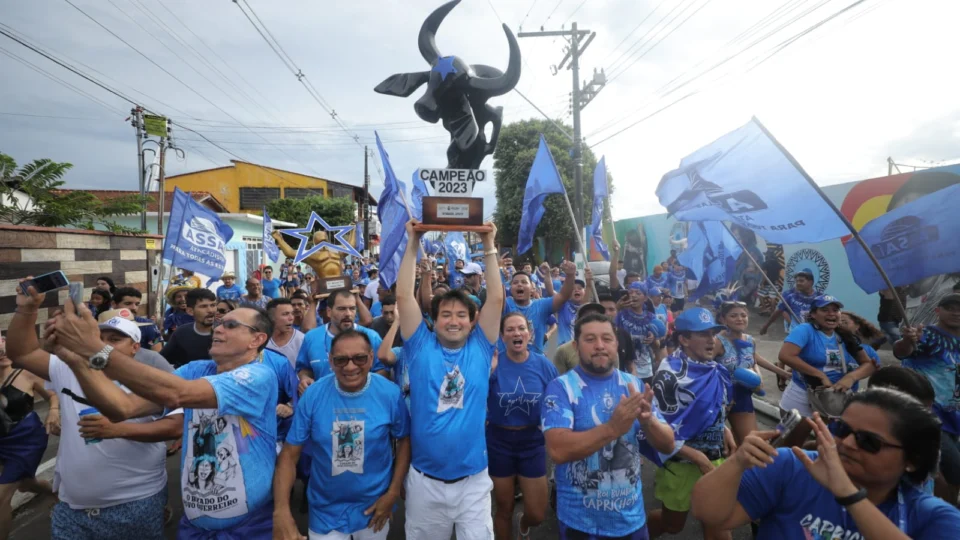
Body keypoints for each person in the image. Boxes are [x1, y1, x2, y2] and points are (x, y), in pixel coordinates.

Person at [46, 297, 280, 537]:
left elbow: (175, 394)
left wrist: (93, 347)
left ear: (257, 339)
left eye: (231, 325)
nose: (218, 327)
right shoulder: (196, 369)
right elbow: (122, 407)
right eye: (219, 322)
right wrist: (77, 361)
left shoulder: (259, 376)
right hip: (196, 523)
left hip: (249, 526)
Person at [7, 287, 182, 540]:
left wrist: (117, 430)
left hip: (134, 501)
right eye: (100, 338)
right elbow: (22, 353)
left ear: (134, 347)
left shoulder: (150, 378)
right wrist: (27, 308)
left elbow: (174, 426)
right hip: (72, 505)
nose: (103, 345)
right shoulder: (69, 367)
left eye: (115, 340)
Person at [691, 388, 960, 538]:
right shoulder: (794, 464)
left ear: (912, 461)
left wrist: (847, 494)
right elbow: (712, 516)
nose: (848, 443)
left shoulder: (933, 516)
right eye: (842, 429)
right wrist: (737, 462)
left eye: (869, 442)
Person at [395, 219, 504, 539]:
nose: (453, 320)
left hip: (473, 483)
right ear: (434, 319)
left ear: (473, 322)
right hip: (425, 483)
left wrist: (488, 244)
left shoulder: (482, 348)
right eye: (446, 314)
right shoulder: (419, 345)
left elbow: (495, 300)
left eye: (461, 315)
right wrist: (413, 242)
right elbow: (404, 297)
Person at [543, 313, 676, 539]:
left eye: (607, 339)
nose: (599, 346)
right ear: (576, 346)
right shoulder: (561, 388)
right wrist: (612, 428)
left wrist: (648, 421)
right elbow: (558, 450)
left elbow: (668, 444)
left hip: (632, 520)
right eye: (590, 339)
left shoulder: (633, 385)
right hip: (581, 524)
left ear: (617, 345)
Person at [273, 330, 411, 540]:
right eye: (341, 360)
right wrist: (281, 510)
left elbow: (404, 440)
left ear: (371, 358)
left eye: (360, 358)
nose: (350, 366)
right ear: (330, 360)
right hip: (325, 510)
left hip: (374, 507)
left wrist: (392, 493)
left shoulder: (390, 393)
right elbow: (290, 455)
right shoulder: (313, 395)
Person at [645, 308, 735, 540]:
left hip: (715, 457)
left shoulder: (714, 368)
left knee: (718, 521)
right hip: (682, 464)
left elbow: (714, 409)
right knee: (672, 525)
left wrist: (725, 430)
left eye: (713, 334)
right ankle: (632, 534)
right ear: (684, 339)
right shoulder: (669, 375)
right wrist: (696, 457)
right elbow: (656, 428)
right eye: (703, 334)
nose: (711, 340)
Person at [488, 313, 558, 539]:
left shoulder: (543, 364)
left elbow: (557, 400)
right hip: (499, 441)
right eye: (510, 329)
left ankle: (524, 524)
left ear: (530, 334)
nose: (516, 333)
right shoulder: (494, 363)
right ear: (502, 336)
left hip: (532, 442)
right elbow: (474, 397)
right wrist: (487, 372)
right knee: (504, 508)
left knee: (537, 514)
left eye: (521, 328)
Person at [894, 292, 960, 506]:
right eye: (950, 307)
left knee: (950, 475)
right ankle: (943, 518)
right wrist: (907, 340)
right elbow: (902, 351)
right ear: (937, 311)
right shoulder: (927, 335)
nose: (956, 312)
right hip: (927, 415)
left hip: (954, 418)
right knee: (952, 469)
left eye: (959, 308)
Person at [777, 295, 878, 419]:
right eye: (825, 310)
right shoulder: (804, 330)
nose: (831, 314)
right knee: (794, 437)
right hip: (803, 394)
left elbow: (869, 364)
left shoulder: (845, 336)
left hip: (835, 398)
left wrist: (850, 378)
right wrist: (820, 375)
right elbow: (785, 355)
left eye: (835, 310)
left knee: (830, 438)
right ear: (813, 314)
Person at [0, 337, 59, 540]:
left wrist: (53, 410)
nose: (2, 354)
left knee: (2, 496)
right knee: (25, 484)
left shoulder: (26, 375)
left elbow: (53, 394)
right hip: (3, 440)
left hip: (27, 439)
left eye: (4, 349)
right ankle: (57, 494)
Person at [714, 302, 791, 446]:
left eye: (743, 315)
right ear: (723, 319)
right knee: (719, 444)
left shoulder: (750, 340)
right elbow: (703, 366)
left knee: (749, 441)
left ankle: (742, 467)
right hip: (719, 397)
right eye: (733, 315)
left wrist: (778, 373)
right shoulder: (717, 342)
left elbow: (754, 359)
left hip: (742, 395)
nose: (740, 319)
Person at [296, 289, 386, 393]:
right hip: (324, 402)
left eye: (352, 308)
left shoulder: (371, 337)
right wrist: (304, 378)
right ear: (329, 312)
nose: (348, 314)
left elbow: (382, 369)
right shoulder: (311, 337)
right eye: (341, 309)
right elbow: (304, 368)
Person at [502, 260, 576, 355]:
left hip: (536, 363)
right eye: (515, 282)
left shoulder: (541, 305)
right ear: (511, 289)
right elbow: (496, 298)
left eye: (524, 282)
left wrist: (570, 276)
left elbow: (563, 296)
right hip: (508, 363)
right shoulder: (506, 304)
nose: (519, 284)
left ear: (532, 288)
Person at [552, 301, 635, 376]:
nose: (599, 347)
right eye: (587, 317)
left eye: (598, 316)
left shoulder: (610, 350)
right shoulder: (562, 351)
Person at [615, 282, 667, 387]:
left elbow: (657, 346)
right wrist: (617, 310)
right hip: (624, 369)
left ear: (645, 298)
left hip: (645, 369)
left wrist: (653, 339)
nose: (633, 295)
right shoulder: (621, 315)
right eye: (631, 292)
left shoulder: (651, 318)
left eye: (638, 293)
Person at [161, 288, 217, 369]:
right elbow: (162, 360)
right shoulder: (181, 332)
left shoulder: (227, 332)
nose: (211, 310)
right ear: (190, 311)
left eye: (213, 305)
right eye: (203, 306)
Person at [759, 269, 816, 336]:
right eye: (797, 281)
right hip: (795, 332)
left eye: (801, 281)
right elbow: (779, 311)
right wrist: (766, 326)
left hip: (813, 334)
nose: (798, 283)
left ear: (811, 282)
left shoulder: (819, 298)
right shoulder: (790, 296)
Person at [111, 287, 163, 352]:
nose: (134, 307)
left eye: (137, 304)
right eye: (128, 303)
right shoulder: (105, 325)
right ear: (114, 304)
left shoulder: (148, 325)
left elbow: (156, 351)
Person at [554, 268, 594, 347]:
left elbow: (583, 306)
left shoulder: (589, 309)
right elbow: (550, 290)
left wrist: (589, 284)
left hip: (582, 349)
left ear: (584, 291)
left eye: (579, 288)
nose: (576, 290)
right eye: (573, 289)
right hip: (565, 349)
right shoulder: (563, 305)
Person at [266, 298, 304, 367]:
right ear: (271, 317)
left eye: (292, 313)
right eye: (285, 314)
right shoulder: (261, 340)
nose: (291, 318)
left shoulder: (302, 340)